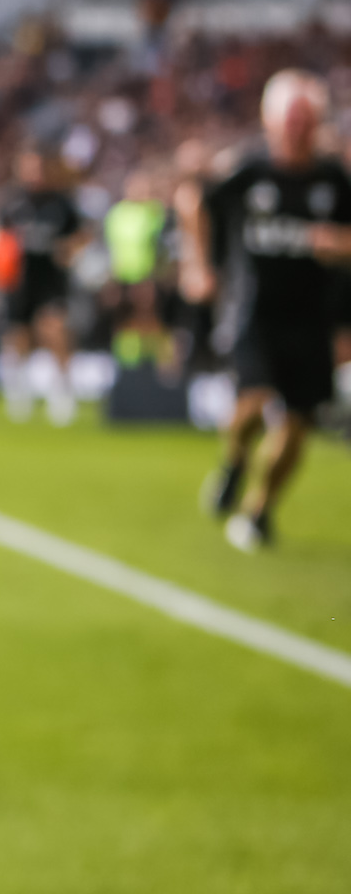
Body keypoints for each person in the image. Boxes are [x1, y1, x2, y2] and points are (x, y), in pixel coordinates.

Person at [178, 72, 351, 552]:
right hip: (255, 312)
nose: (298, 129)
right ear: (271, 121)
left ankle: (259, 511)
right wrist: (198, 265)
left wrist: (340, 244)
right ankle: (235, 459)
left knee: (297, 424)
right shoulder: (249, 170)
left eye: (306, 120)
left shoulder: (333, 179)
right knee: (252, 404)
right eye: (291, 120)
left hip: (312, 319)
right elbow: (193, 201)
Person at [0, 145, 89, 425]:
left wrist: (68, 250)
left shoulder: (60, 203)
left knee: (55, 329)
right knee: (19, 335)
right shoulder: (12, 203)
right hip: (20, 277)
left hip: (50, 277)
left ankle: (62, 391)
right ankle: (18, 391)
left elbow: (82, 234)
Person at [100, 167, 174, 376]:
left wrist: (156, 276)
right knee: (124, 321)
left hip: (149, 277)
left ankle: (161, 366)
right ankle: (126, 363)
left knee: (151, 319)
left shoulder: (157, 213)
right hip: (122, 277)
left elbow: (163, 248)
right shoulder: (116, 214)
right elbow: (111, 247)